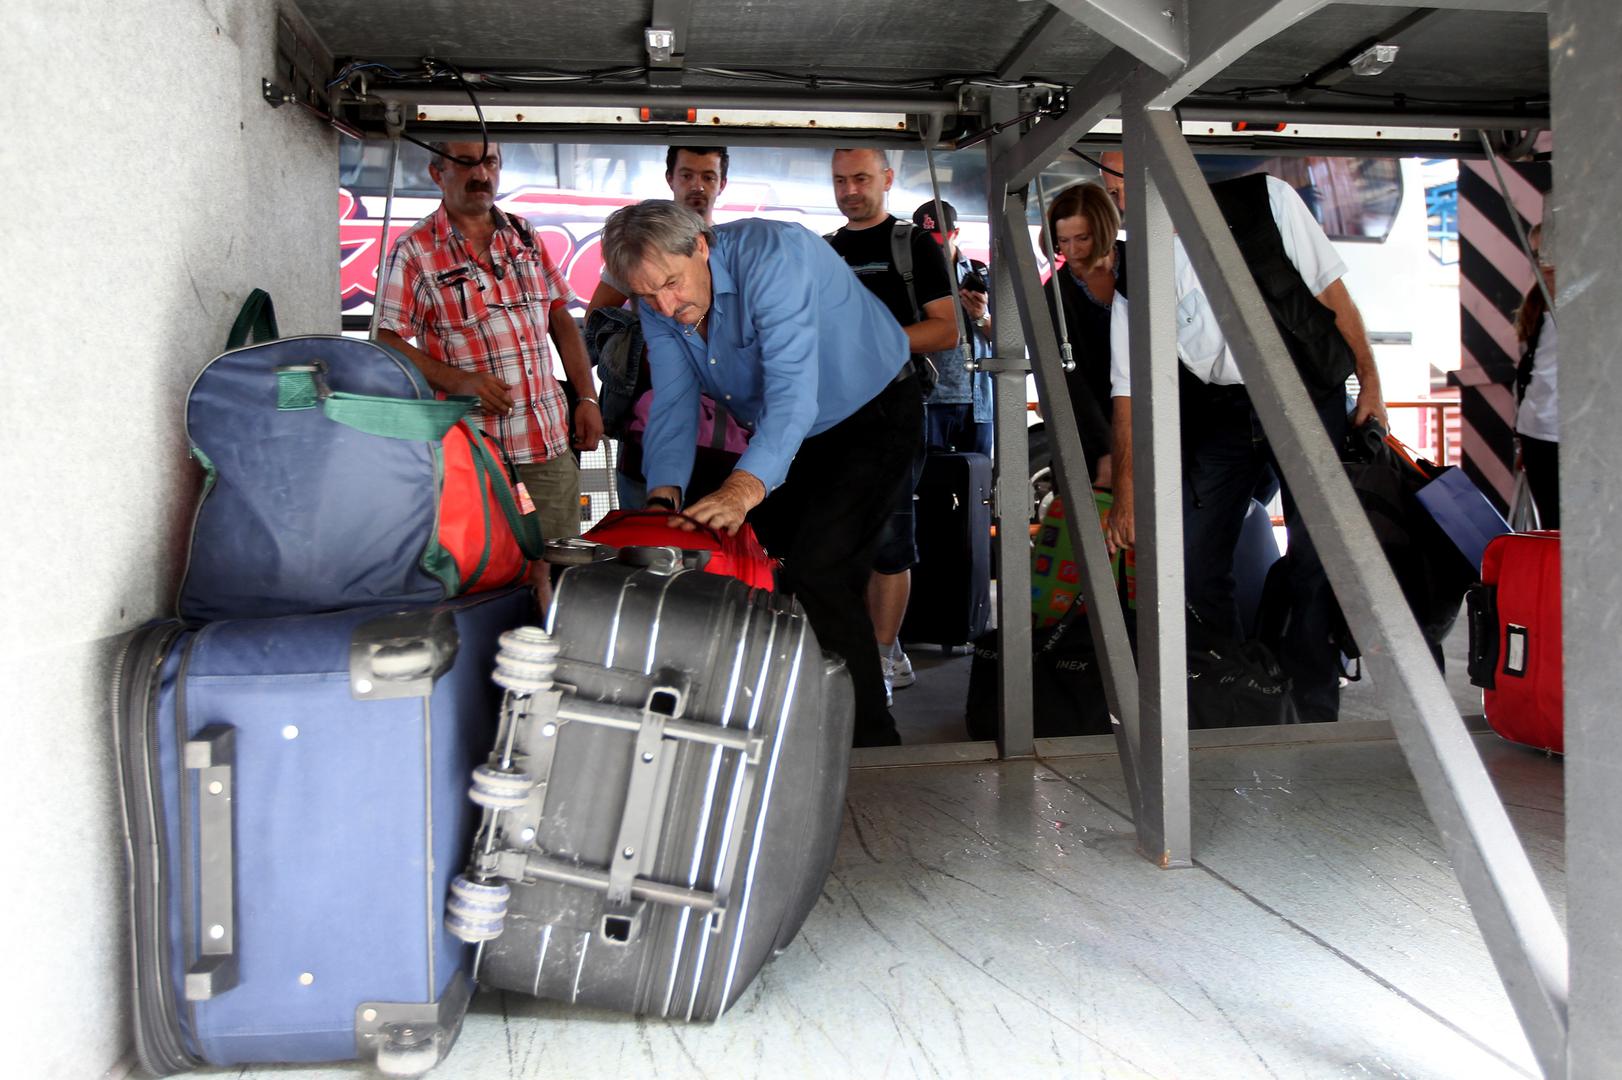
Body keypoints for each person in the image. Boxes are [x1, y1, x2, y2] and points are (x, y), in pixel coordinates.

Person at [599, 200, 922, 747]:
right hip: (792, 432)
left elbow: (792, 394)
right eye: (647, 296)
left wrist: (743, 488)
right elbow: (673, 401)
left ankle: (870, 741)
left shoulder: (775, 258)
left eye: (672, 285)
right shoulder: (657, 296)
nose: (666, 306)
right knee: (759, 556)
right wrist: (661, 500)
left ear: (701, 245)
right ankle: (790, 720)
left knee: (821, 568)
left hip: (873, 413)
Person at [1107, 171, 1387, 725]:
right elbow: (1128, 385)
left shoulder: (1267, 200)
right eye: (1111, 192)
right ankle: (1230, 693)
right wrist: (1125, 487)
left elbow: (1333, 296)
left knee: (1317, 556)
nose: (1120, 200)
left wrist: (1371, 384)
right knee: (1194, 560)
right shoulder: (1135, 267)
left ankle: (1310, 709)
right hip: (1221, 412)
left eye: (1124, 182)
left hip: (1304, 394)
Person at [377, 141, 601, 542]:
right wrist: (458, 381)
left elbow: (560, 317)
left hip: (549, 448)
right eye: (465, 163)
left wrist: (587, 398)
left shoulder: (524, 234)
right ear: (437, 174)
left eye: (490, 162)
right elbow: (384, 340)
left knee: (554, 567)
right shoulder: (414, 250)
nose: (481, 174)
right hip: (473, 456)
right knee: (480, 568)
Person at [827, 148, 957, 704]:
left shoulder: (914, 244)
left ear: (887, 179)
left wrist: (872, 343)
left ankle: (883, 656)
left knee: (889, 539)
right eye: (840, 180)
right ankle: (860, 648)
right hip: (834, 415)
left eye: (860, 178)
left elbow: (946, 330)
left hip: (896, 411)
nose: (850, 190)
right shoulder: (826, 250)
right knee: (837, 539)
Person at [585, 147, 748, 509]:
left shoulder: (735, 253)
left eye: (708, 176)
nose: (697, 186)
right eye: (687, 175)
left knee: (721, 535)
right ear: (670, 179)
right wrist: (638, 352)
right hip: (650, 428)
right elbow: (596, 321)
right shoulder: (637, 248)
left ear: (722, 184)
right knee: (649, 530)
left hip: (727, 441)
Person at [1045, 181, 1122, 481]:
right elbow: (1070, 380)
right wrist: (1105, 448)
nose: (1072, 250)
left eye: (1082, 238)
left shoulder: (1142, 264)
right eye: (1063, 241)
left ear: (1104, 230)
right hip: (1091, 429)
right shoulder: (1055, 293)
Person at [912, 199, 995, 456]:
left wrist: (980, 316)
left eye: (939, 242)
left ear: (955, 234)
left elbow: (1008, 338)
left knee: (977, 475)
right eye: (926, 243)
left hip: (976, 399)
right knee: (930, 477)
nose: (932, 250)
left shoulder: (979, 274)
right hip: (929, 398)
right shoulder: (910, 277)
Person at [1514, 221, 1559, 528]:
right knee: (1551, 528)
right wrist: (1522, 441)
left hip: (1577, 433)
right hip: (1537, 434)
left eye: (1550, 250)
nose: (1544, 261)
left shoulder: (1594, 303)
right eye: (1536, 253)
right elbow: (1529, 376)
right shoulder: (1534, 305)